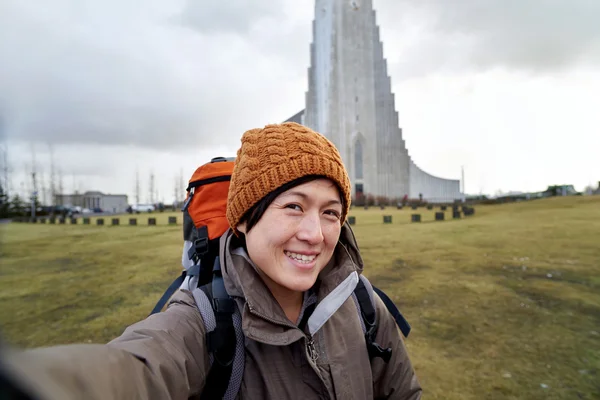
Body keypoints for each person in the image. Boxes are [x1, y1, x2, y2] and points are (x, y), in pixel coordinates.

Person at [2, 122, 422, 399]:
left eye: (331, 212)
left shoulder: (363, 302)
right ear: (242, 219)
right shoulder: (202, 321)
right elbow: (136, 368)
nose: (315, 234)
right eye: (294, 206)